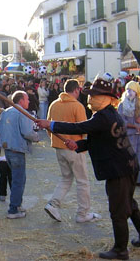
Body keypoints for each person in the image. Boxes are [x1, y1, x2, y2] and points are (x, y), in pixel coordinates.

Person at [37, 76, 140, 260]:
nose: (91, 99)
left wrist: (50, 124)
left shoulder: (104, 116)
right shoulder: (106, 115)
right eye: (91, 95)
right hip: (128, 166)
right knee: (129, 204)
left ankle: (120, 250)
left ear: (108, 98)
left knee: (118, 210)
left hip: (120, 170)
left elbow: (80, 127)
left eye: (96, 95)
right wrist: (79, 145)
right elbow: (96, 139)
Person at [44, 79, 100, 223]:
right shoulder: (78, 106)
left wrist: (56, 141)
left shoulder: (54, 105)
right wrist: (83, 145)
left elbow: (49, 126)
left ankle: (53, 204)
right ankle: (83, 214)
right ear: (76, 90)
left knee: (66, 178)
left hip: (59, 147)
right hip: (75, 148)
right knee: (82, 181)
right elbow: (84, 129)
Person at [0, 91, 39, 219]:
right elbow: (27, 132)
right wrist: (36, 137)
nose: (29, 101)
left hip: (7, 150)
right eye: (27, 99)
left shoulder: (5, 112)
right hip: (17, 150)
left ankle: (17, 204)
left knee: (19, 179)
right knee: (18, 181)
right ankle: (13, 209)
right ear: (21, 101)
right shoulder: (23, 113)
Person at [118, 81, 140, 186]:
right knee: (130, 156)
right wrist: (132, 126)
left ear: (136, 92)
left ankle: (139, 179)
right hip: (130, 135)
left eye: (132, 90)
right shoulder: (122, 105)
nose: (129, 92)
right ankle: (130, 177)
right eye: (128, 90)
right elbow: (120, 120)